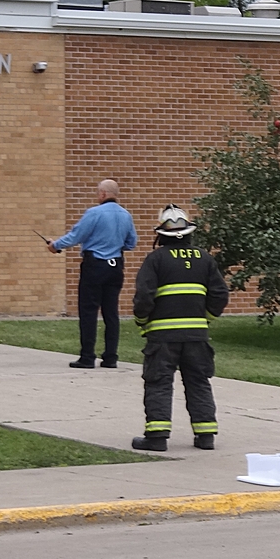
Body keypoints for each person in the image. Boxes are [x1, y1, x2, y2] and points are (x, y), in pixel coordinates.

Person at [131, 204, 229, 452]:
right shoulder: (205, 259)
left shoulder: (155, 259)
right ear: (189, 233)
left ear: (161, 235)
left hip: (162, 337)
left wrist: (142, 321)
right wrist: (204, 318)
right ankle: (206, 436)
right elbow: (219, 295)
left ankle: (157, 436)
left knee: (159, 383)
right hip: (197, 336)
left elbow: (144, 296)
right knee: (198, 382)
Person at [48, 179, 138, 368]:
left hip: (95, 266)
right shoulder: (126, 215)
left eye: (98, 192)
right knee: (111, 313)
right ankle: (111, 357)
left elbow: (76, 236)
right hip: (116, 267)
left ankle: (87, 356)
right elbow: (131, 243)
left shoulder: (94, 213)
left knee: (89, 312)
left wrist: (55, 245)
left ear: (103, 194)